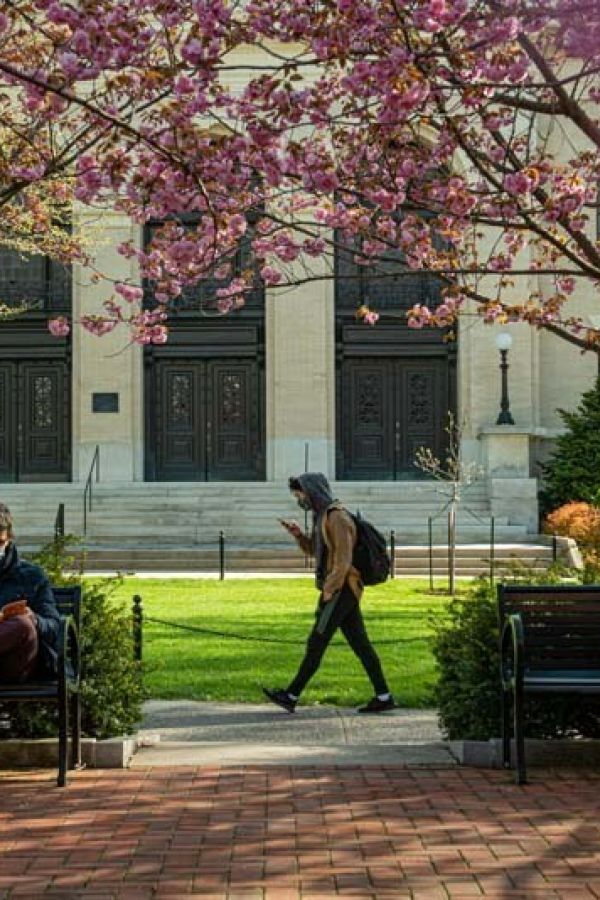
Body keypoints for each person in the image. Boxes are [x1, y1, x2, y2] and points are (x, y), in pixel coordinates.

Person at [263, 473, 394, 714]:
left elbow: (343, 561)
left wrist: (329, 590)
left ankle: (291, 695)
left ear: (312, 491)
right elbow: (316, 550)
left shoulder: (338, 518)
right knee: (361, 645)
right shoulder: (322, 517)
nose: (299, 499)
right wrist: (298, 535)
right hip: (341, 590)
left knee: (317, 641)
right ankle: (384, 696)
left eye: (300, 494)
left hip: (342, 590)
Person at [0, 504, 60, 683]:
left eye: (0, 543)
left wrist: (35, 619)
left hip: (15, 664)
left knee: (23, 624)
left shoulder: (32, 576)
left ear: (9, 539)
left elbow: (54, 626)